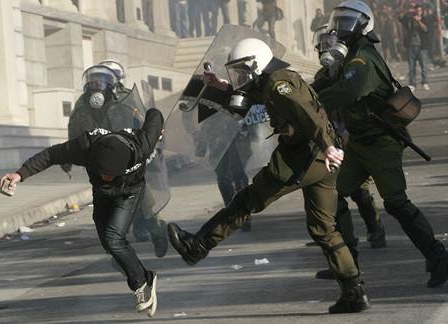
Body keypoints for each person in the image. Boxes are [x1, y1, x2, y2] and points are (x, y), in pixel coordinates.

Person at [168, 37, 370, 313]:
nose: (239, 77)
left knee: (247, 201)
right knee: (324, 229)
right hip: (322, 162)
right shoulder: (270, 80)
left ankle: (198, 245)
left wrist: (328, 145)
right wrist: (220, 85)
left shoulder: (279, 83)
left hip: (302, 159)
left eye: (242, 70)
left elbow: (308, 113)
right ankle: (354, 291)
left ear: (256, 64)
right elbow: (254, 97)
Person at [318, 0, 448, 289]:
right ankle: (346, 260)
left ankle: (438, 256)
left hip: (381, 142)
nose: (341, 27)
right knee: (334, 195)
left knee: (396, 203)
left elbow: (349, 90)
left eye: (348, 21)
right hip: (361, 143)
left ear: (363, 25)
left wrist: (312, 104)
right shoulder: (348, 55)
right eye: (339, 20)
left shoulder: (363, 57)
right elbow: (329, 84)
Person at [0, 106, 165, 316]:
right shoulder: (86, 146)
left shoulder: (142, 145)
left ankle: (140, 284)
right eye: (102, 172)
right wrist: (19, 174)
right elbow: (51, 155)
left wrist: (154, 123)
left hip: (129, 192)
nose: (105, 177)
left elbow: (155, 114)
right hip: (102, 195)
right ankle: (145, 276)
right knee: (107, 241)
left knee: (113, 237)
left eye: (110, 175)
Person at [66, 61, 168, 258]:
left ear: (111, 82)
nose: (96, 86)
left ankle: (158, 232)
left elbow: (142, 121)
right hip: (101, 162)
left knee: (144, 202)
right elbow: (75, 129)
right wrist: (68, 157)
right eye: (92, 82)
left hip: (129, 157)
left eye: (101, 81)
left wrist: (150, 144)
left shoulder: (125, 99)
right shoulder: (82, 106)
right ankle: (119, 251)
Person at [310, 24, 387, 280]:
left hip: (353, 137)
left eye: (328, 44)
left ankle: (375, 230)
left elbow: (353, 91)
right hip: (333, 141)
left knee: (360, 192)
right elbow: (312, 97)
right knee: (336, 197)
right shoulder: (324, 73)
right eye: (322, 45)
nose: (325, 48)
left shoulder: (352, 67)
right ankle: (348, 252)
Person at [399, 4, 430, 90]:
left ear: (422, 11)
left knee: (423, 65)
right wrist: (406, 12)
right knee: (411, 67)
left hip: (421, 46)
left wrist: (419, 21)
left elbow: (426, 29)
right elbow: (400, 19)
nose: (418, 12)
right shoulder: (409, 19)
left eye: (420, 11)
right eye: (416, 10)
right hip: (411, 46)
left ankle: (425, 82)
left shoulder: (424, 19)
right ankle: (412, 84)